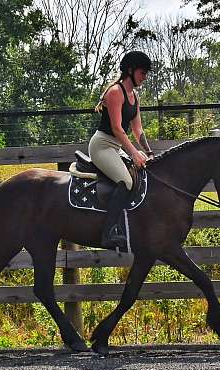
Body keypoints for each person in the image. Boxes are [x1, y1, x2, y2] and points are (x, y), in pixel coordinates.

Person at [89, 50, 154, 248]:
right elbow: (117, 129)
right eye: (142, 73)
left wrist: (148, 152)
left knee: (139, 175)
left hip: (116, 147)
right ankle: (108, 233)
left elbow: (137, 129)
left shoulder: (134, 96)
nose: (145, 77)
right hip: (102, 146)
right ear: (130, 70)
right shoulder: (115, 92)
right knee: (126, 181)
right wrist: (134, 153)